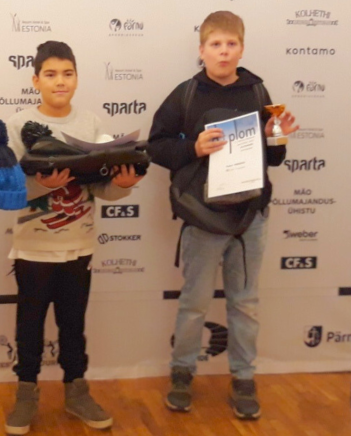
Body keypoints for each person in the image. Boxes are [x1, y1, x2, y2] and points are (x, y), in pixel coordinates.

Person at [148, 11, 299, 420]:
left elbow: (274, 158)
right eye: (216, 45)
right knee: (194, 304)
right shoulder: (186, 94)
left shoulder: (258, 92)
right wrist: (193, 148)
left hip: (250, 219)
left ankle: (244, 378)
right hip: (203, 219)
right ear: (202, 50)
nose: (224, 51)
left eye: (231, 44)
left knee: (245, 304)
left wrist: (277, 137)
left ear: (242, 49)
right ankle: (182, 373)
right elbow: (156, 146)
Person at [3, 40, 144, 435]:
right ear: (35, 80)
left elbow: (101, 188)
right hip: (33, 248)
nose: (60, 81)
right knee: (29, 325)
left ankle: (76, 391)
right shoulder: (17, 125)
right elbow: (7, 189)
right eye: (50, 74)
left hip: (79, 246)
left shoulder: (91, 124)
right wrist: (42, 185)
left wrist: (123, 186)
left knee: (72, 324)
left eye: (67, 73)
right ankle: (26, 394)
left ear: (77, 79)